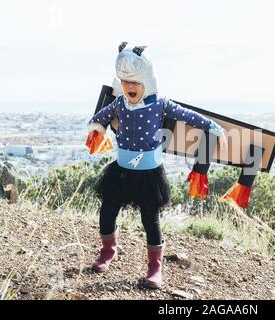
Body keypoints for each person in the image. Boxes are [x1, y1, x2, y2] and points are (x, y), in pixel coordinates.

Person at [87, 42, 226, 289]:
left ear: (147, 82)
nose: (130, 87)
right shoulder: (119, 104)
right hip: (120, 171)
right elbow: (99, 118)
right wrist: (96, 129)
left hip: (149, 175)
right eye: (125, 82)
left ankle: (155, 268)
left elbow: (188, 115)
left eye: (135, 82)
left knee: (150, 220)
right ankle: (108, 252)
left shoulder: (160, 103)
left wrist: (213, 127)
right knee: (107, 211)